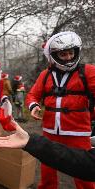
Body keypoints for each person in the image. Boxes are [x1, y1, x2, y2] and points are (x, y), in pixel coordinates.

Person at [26, 31, 95, 189]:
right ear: (53, 56)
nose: (69, 57)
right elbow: (32, 95)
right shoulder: (45, 75)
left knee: (84, 175)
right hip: (50, 131)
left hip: (78, 132)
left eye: (71, 53)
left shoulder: (88, 72)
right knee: (47, 171)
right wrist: (34, 106)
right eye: (63, 54)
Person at [0, 121, 95, 182]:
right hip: (50, 127)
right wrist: (31, 142)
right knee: (47, 172)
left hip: (77, 129)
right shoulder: (45, 81)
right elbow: (87, 164)